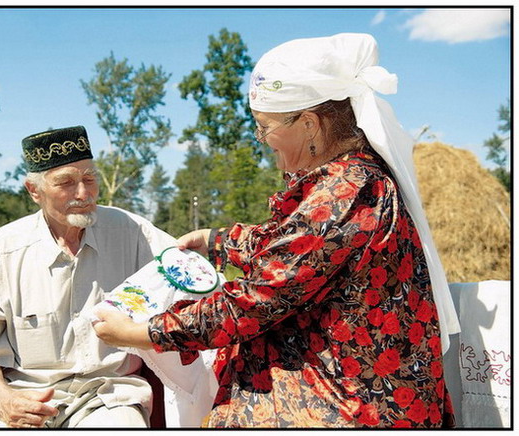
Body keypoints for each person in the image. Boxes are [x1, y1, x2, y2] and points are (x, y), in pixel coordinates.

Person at [93, 33, 461, 428]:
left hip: (356, 401)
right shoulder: (347, 181)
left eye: (264, 127)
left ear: (308, 124)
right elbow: (293, 249)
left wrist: (143, 332)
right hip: (355, 380)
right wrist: (218, 242)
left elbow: (255, 300)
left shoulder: (344, 193)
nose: (262, 140)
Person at [0, 125, 174, 428]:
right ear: (34, 191)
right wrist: (5, 402)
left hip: (106, 397)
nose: (83, 193)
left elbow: (191, 273)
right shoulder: (1, 252)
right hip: (22, 394)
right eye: (66, 183)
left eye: (89, 178)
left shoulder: (132, 232)